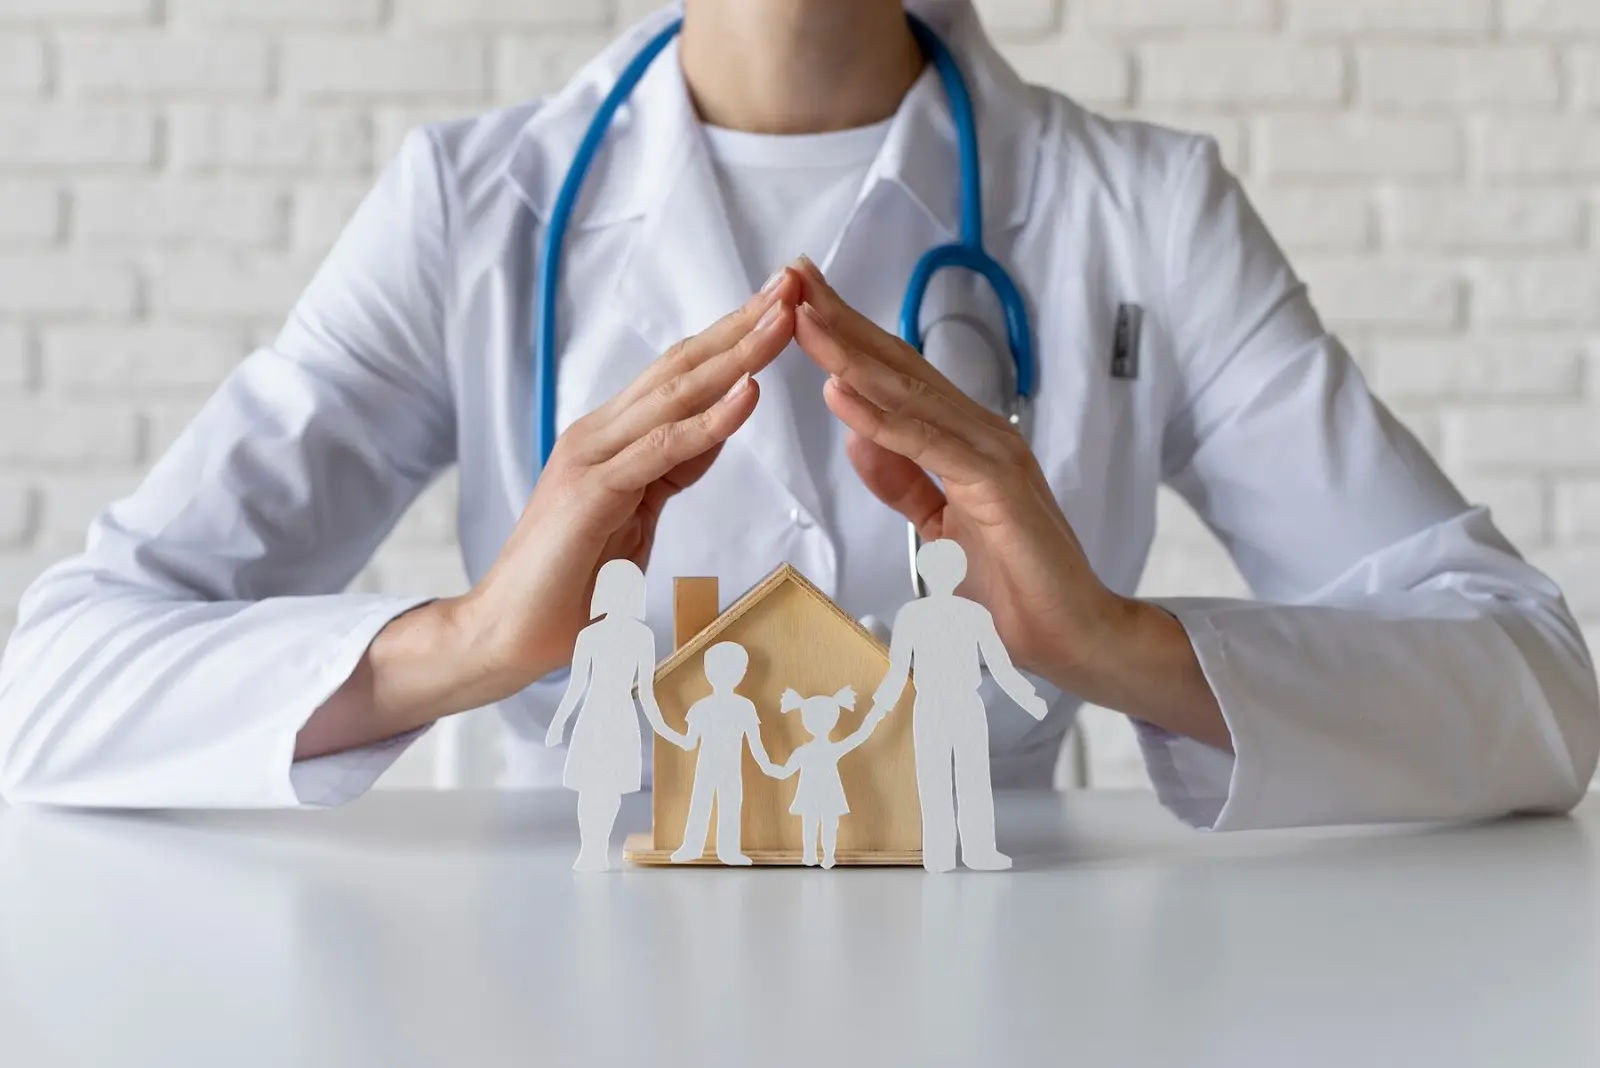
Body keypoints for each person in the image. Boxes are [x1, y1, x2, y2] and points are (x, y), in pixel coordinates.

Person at [0, 0, 1595, 833]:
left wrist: (1106, 643)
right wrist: (472, 642)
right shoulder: (470, 211)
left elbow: (1536, 690)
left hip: (1001, 1012)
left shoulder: (1142, 213)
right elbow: (51, 689)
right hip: (550, 1009)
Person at [872, 539, 1046, 872]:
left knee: (969, 778)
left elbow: (1000, 665)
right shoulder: (918, 615)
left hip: (962, 704)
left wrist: (1028, 698)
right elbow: (897, 671)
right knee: (941, 779)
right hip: (932, 704)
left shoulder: (971, 615)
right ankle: (939, 853)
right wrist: (878, 712)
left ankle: (973, 852)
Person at [545, 559, 688, 871]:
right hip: (593, 716)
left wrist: (669, 731)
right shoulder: (590, 636)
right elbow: (576, 687)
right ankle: (590, 848)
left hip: (623, 720)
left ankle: (597, 847)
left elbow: (648, 693)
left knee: (610, 790)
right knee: (590, 787)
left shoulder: (642, 637)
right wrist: (558, 722)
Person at [672, 641, 776, 866]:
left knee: (730, 805)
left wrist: (770, 767)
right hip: (707, 768)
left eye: (735, 669)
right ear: (707, 670)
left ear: (742, 673)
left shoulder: (745, 707)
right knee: (700, 804)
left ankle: (729, 851)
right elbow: (690, 743)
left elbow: (756, 746)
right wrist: (666, 731)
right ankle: (692, 846)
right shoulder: (700, 708)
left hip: (730, 769)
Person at [769, 686, 886, 868]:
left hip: (821, 793)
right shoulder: (824, 750)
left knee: (817, 824)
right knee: (821, 825)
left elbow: (783, 772)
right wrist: (877, 713)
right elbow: (861, 734)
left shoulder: (808, 751)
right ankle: (817, 856)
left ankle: (820, 856)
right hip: (823, 793)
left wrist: (767, 766)